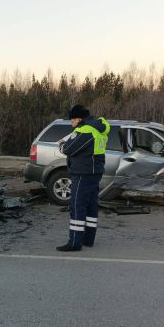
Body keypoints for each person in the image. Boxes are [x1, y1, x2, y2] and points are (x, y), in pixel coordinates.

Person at [56, 105, 110, 252]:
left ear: (78, 119)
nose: (71, 124)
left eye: (72, 121)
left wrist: (61, 143)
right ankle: (88, 239)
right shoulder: (99, 128)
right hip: (95, 172)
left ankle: (74, 242)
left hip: (83, 173)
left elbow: (67, 149)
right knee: (91, 206)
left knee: (76, 206)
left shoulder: (86, 130)